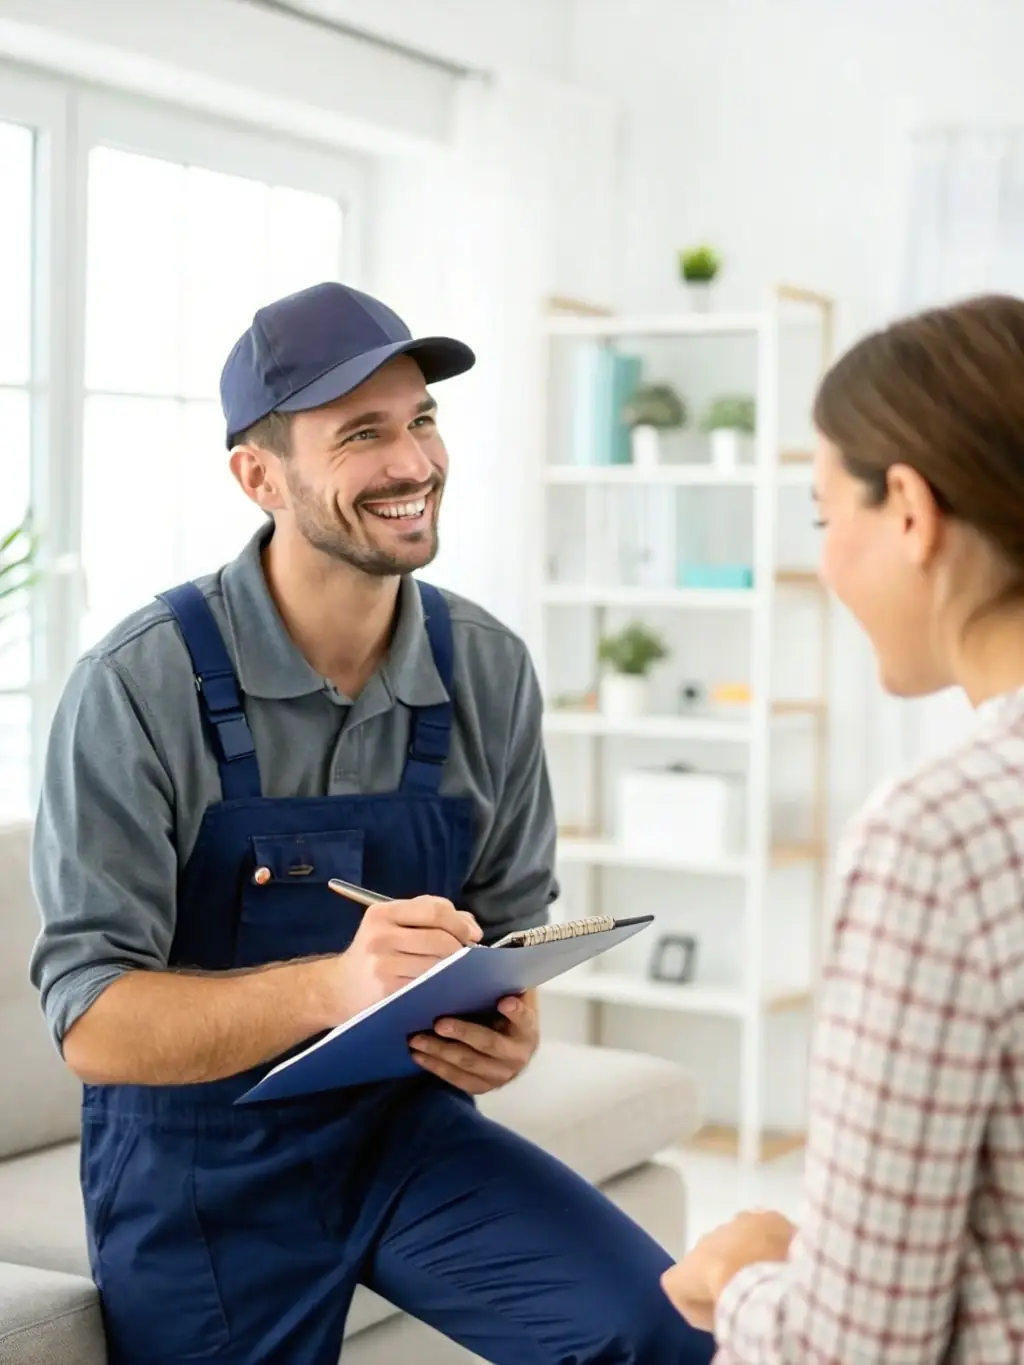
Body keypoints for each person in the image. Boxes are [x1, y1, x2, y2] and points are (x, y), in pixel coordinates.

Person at [29, 280, 717, 1365]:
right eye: (362, 434)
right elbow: (93, 1025)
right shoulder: (134, 684)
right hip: (197, 1172)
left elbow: (499, 935)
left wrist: (500, 1028)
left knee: (662, 1333)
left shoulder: (485, 666)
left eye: (422, 421)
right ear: (258, 475)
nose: (413, 464)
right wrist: (331, 986)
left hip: (408, 1136)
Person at [661, 293, 1024, 1362]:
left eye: (826, 519)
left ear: (908, 508)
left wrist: (746, 1280)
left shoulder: (938, 839)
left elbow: (853, 1353)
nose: (824, 563)